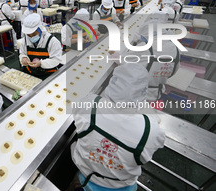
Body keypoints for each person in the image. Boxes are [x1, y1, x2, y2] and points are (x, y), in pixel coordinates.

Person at [69, 63, 165, 191]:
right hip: (122, 187)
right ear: (143, 91)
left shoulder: (89, 104)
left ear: (112, 82)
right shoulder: (151, 131)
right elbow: (144, 158)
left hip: (85, 180)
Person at [19, 13, 62, 79]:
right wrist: (23, 58)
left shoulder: (52, 41)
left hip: (47, 75)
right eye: (28, 35)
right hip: (30, 73)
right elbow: (22, 53)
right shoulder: (25, 40)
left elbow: (56, 60)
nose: (31, 37)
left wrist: (41, 63)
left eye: (33, 34)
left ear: (40, 29)